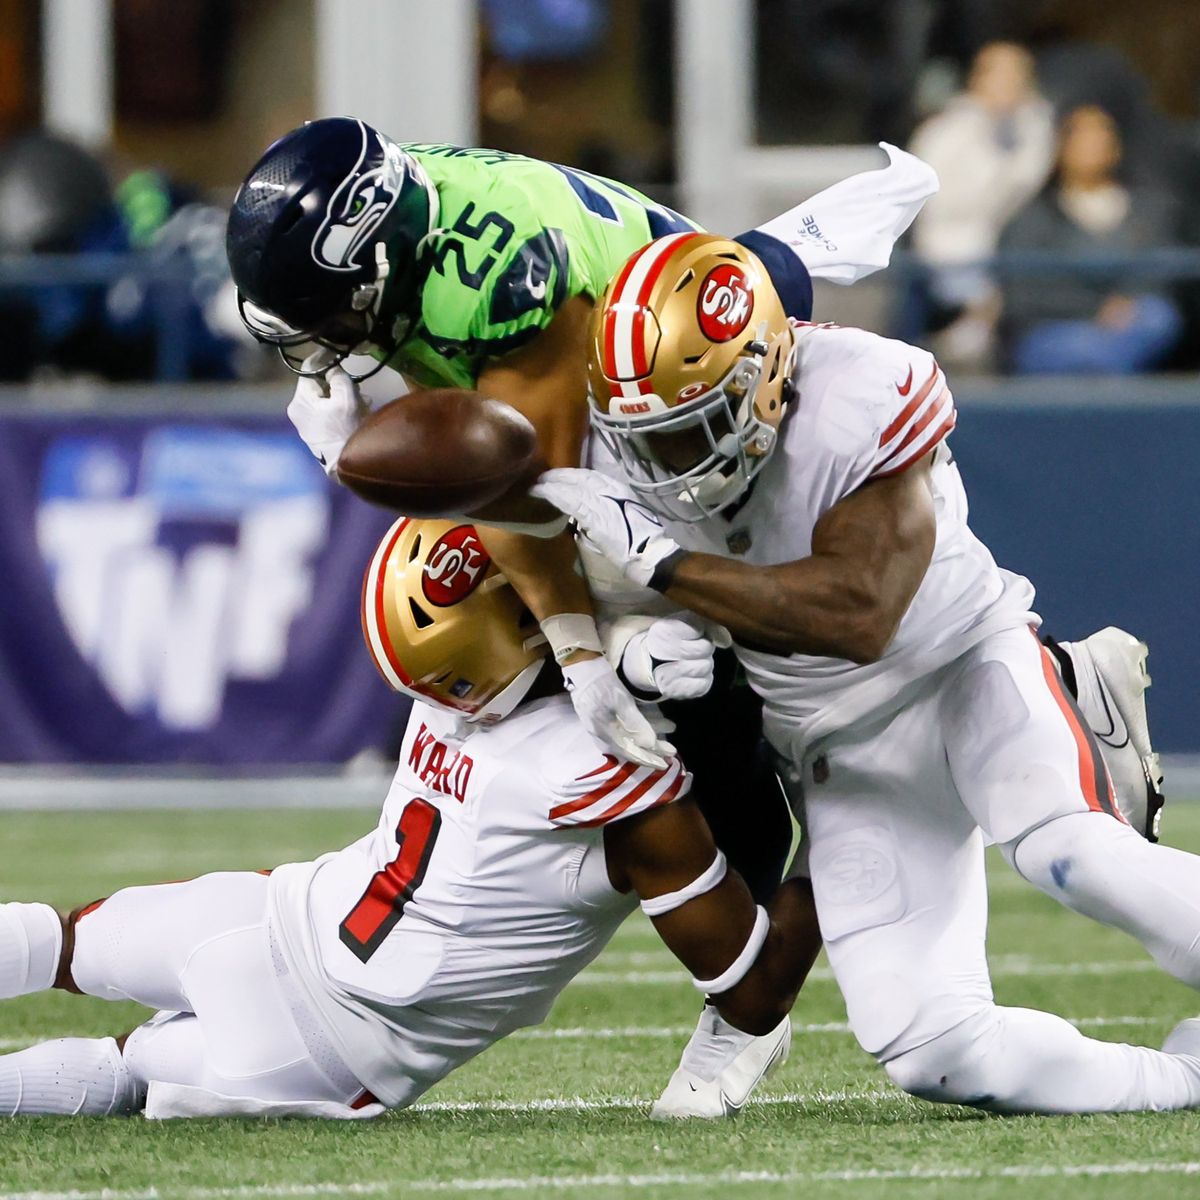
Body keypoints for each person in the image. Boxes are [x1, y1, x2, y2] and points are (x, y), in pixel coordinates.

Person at [531, 233, 1200, 1116]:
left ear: (769, 366)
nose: (675, 463)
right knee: (934, 1048)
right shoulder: (619, 454)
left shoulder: (862, 390)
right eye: (651, 439)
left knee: (1072, 856)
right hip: (834, 750)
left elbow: (858, 613)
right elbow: (575, 583)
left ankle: (1069, 688)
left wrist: (664, 566)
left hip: (962, 664)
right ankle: (1183, 1082)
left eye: (697, 425)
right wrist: (623, 644)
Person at [225, 116, 939, 907]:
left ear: (383, 260)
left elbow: (537, 492)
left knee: (690, 655)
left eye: (334, 317)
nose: (323, 346)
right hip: (621, 386)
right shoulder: (400, 214)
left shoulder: (498, 278)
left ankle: (1027, 688)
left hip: (677, 395)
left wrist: (585, 656)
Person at [0, 517, 816, 1119]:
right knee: (126, 1072)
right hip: (327, 1049)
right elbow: (750, 988)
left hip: (266, 915)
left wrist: (624, 649)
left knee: (58, 940)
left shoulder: (450, 707)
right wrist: (846, 826)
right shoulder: (607, 777)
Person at [999, 104, 1184, 375]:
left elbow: (1159, 271)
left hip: (1130, 324)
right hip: (1055, 329)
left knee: (1156, 317)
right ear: (1061, 148)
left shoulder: (1148, 211)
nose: (1092, 146)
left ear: (1116, 147)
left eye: (1101, 137)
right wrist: (1094, 309)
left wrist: (1127, 303)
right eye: (1081, 138)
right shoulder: (1032, 217)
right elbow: (1022, 293)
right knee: (1086, 351)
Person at [908, 41, 1055, 368]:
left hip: (1022, 240)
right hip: (954, 238)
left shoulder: (1036, 126)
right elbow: (937, 202)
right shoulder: (944, 131)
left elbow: (1030, 184)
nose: (1009, 84)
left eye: (1017, 75)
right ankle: (971, 339)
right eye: (998, 75)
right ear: (978, 79)